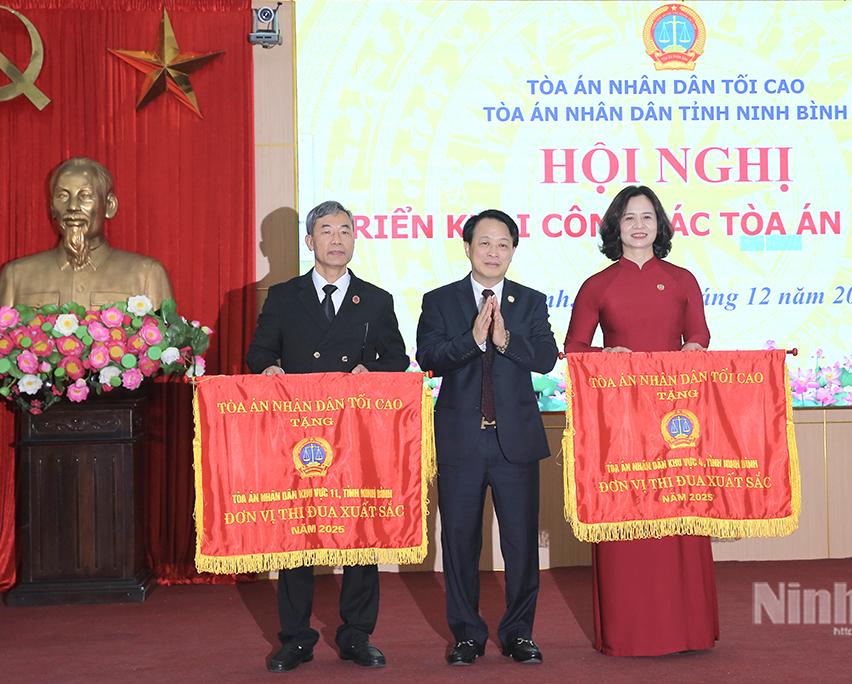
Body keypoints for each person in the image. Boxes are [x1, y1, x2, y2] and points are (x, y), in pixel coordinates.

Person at [246, 200, 408, 672]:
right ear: (310, 241)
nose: (337, 239)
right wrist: (268, 368)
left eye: (345, 230)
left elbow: (397, 358)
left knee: (359, 532)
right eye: (326, 231)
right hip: (299, 435)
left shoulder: (376, 299)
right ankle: (296, 639)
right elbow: (259, 352)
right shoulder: (284, 296)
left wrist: (370, 369)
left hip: (355, 433)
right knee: (297, 534)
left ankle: (357, 635)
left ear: (355, 238)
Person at [564, 185, 719, 656]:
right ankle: (629, 632)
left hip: (675, 420)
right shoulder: (597, 284)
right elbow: (574, 348)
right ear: (615, 226)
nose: (638, 225)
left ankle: (688, 631)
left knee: (678, 517)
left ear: (660, 225)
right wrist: (606, 354)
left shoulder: (681, 279)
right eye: (629, 217)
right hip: (622, 421)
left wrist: (694, 348)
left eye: (647, 216)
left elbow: (699, 334)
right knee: (625, 513)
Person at [416, 209, 558, 666]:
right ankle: (467, 635)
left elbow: (546, 358)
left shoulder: (531, 302)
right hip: (461, 441)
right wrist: (473, 341)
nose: (493, 252)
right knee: (459, 543)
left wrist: (504, 340)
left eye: (503, 244)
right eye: (484, 243)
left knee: (520, 544)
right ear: (467, 248)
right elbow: (428, 357)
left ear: (513, 250)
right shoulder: (440, 300)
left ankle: (519, 634)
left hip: (515, 442)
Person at [0, 157, 173, 308]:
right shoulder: (17, 276)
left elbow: (165, 334)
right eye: (63, 196)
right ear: (52, 207)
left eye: (85, 196)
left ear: (110, 206)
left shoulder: (146, 275)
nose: (72, 206)